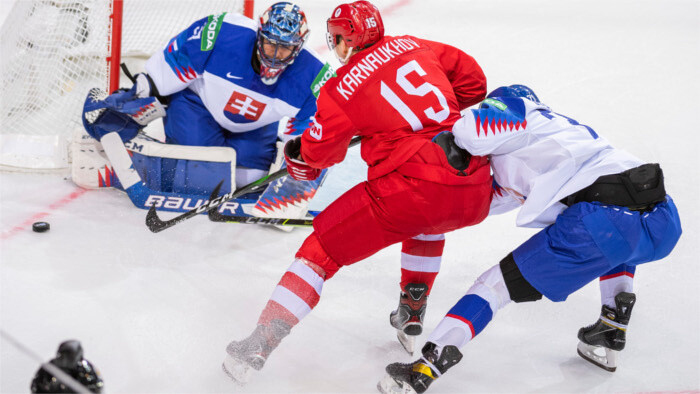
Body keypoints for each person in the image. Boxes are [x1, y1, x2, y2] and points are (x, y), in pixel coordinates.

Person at [222, 0, 492, 383]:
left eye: (335, 38)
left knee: (321, 250)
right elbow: (473, 82)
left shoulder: (340, 87)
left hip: (410, 186)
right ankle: (412, 309)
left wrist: (299, 154)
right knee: (429, 217)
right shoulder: (415, 45)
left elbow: (318, 156)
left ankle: (258, 345)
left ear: (346, 40)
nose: (334, 45)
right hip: (475, 182)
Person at [378, 85, 682, 394]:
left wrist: (437, 135)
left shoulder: (514, 112)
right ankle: (611, 326)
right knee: (618, 246)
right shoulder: (553, 137)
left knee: (492, 287)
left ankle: (424, 368)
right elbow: (491, 200)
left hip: (603, 219)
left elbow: (467, 131)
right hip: (663, 216)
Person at [77, 2, 333, 196]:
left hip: (255, 125)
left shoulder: (313, 75)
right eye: (270, 44)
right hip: (199, 106)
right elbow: (176, 60)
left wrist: (298, 157)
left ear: (298, 47)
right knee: (195, 178)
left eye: (285, 47)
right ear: (259, 35)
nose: (275, 55)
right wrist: (144, 91)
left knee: (251, 181)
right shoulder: (224, 32)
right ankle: (120, 166)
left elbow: (310, 129)